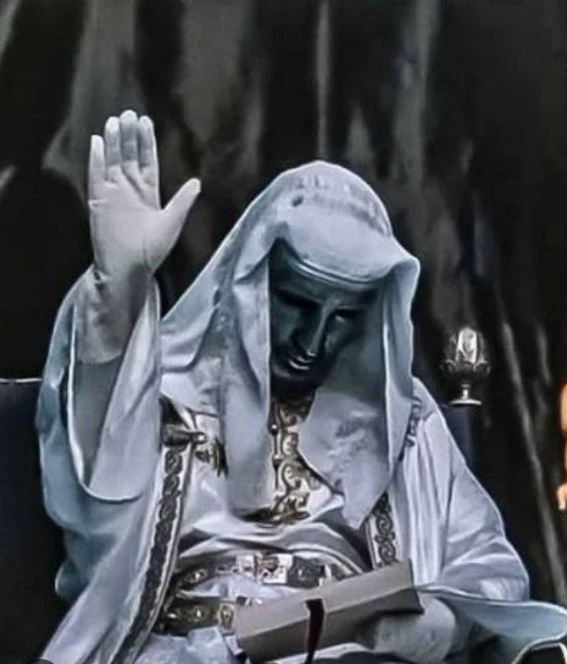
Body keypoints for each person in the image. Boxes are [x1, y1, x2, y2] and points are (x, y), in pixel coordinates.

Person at [37, 110, 567, 664]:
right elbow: (93, 491)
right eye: (296, 304)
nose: (311, 343)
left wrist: (438, 621)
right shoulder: (164, 389)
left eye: (343, 318)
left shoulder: (402, 422)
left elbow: (489, 567)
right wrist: (118, 292)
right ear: (250, 283)